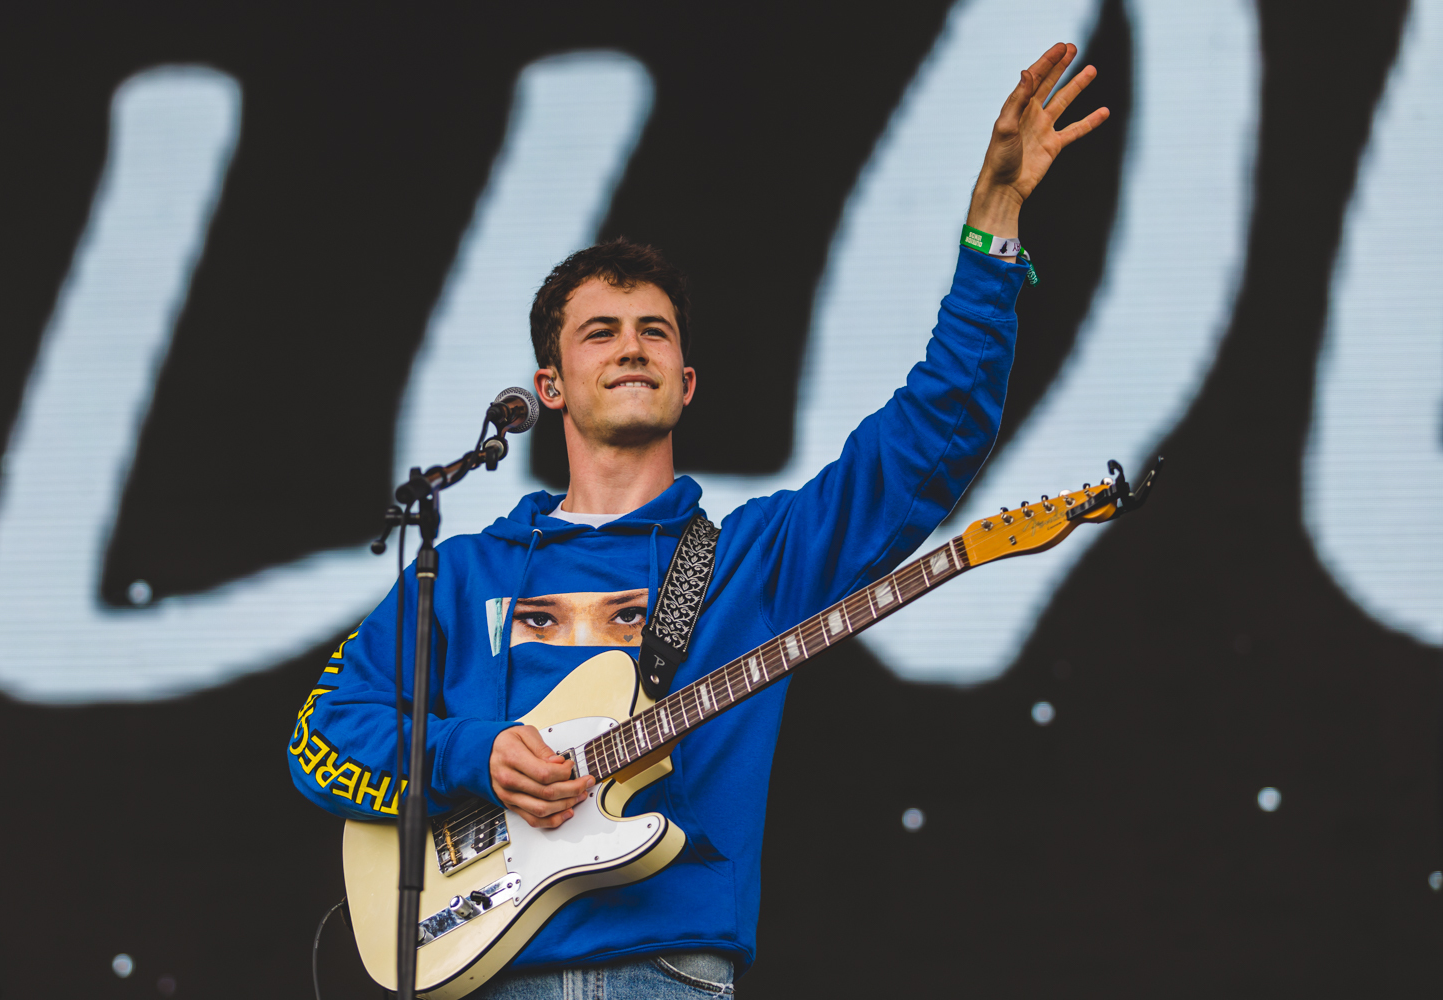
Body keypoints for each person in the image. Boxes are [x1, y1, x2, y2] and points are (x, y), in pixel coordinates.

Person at [289, 42, 1107, 998]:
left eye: (655, 333)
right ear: (550, 386)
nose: (630, 347)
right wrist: (474, 752)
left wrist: (993, 228)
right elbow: (323, 735)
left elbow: (934, 434)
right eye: (601, 331)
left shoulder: (752, 558)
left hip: (669, 972)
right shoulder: (462, 570)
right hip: (479, 968)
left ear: (686, 384)